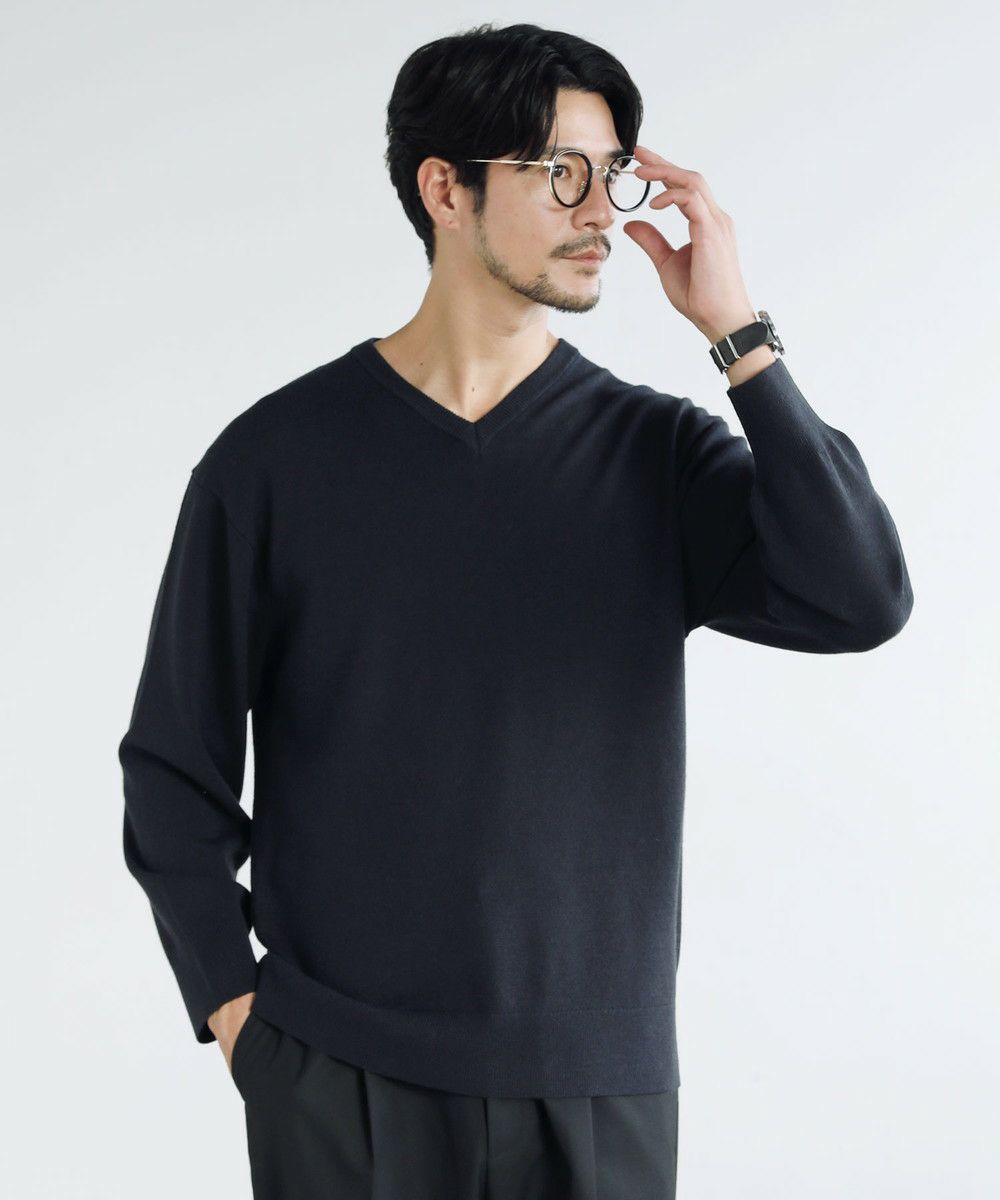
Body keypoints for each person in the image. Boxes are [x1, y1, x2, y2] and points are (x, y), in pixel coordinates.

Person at [117, 20, 914, 1200]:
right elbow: (171, 769)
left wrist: (737, 333)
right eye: (560, 174)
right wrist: (238, 1015)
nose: (602, 213)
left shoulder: (656, 458)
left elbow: (860, 597)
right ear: (446, 190)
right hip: (339, 1077)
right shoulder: (274, 461)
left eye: (613, 173)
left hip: (598, 1086)